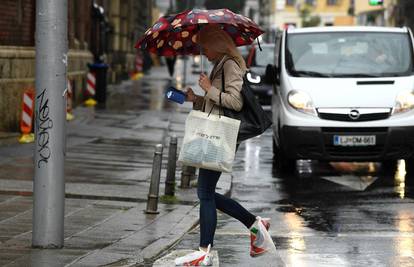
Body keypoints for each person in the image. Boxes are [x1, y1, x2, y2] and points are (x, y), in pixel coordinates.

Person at [174, 24, 273, 266]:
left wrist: (208, 88)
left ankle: (204, 250)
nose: (203, 52)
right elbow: (216, 103)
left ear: (217, 45)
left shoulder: (230, 64)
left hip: (221, 135)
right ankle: (254, 224)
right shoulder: (220, 64)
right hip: (214, 132)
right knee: (206, 192)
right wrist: (195, 98)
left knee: (205, 193)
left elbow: (234, 102)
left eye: (204, 47)